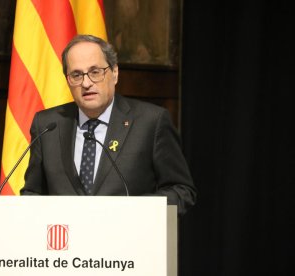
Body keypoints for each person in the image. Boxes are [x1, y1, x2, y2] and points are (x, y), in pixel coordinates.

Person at [20, 34, 196, 215]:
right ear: (67, 80)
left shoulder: (151, 122)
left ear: (115, 73)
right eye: (76, 75)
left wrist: (135, 211)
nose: (86, 83)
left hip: (128, 237)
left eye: (95, 72)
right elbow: (32, 192)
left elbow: (182, 191)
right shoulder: (48, 125)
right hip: (65, 240)